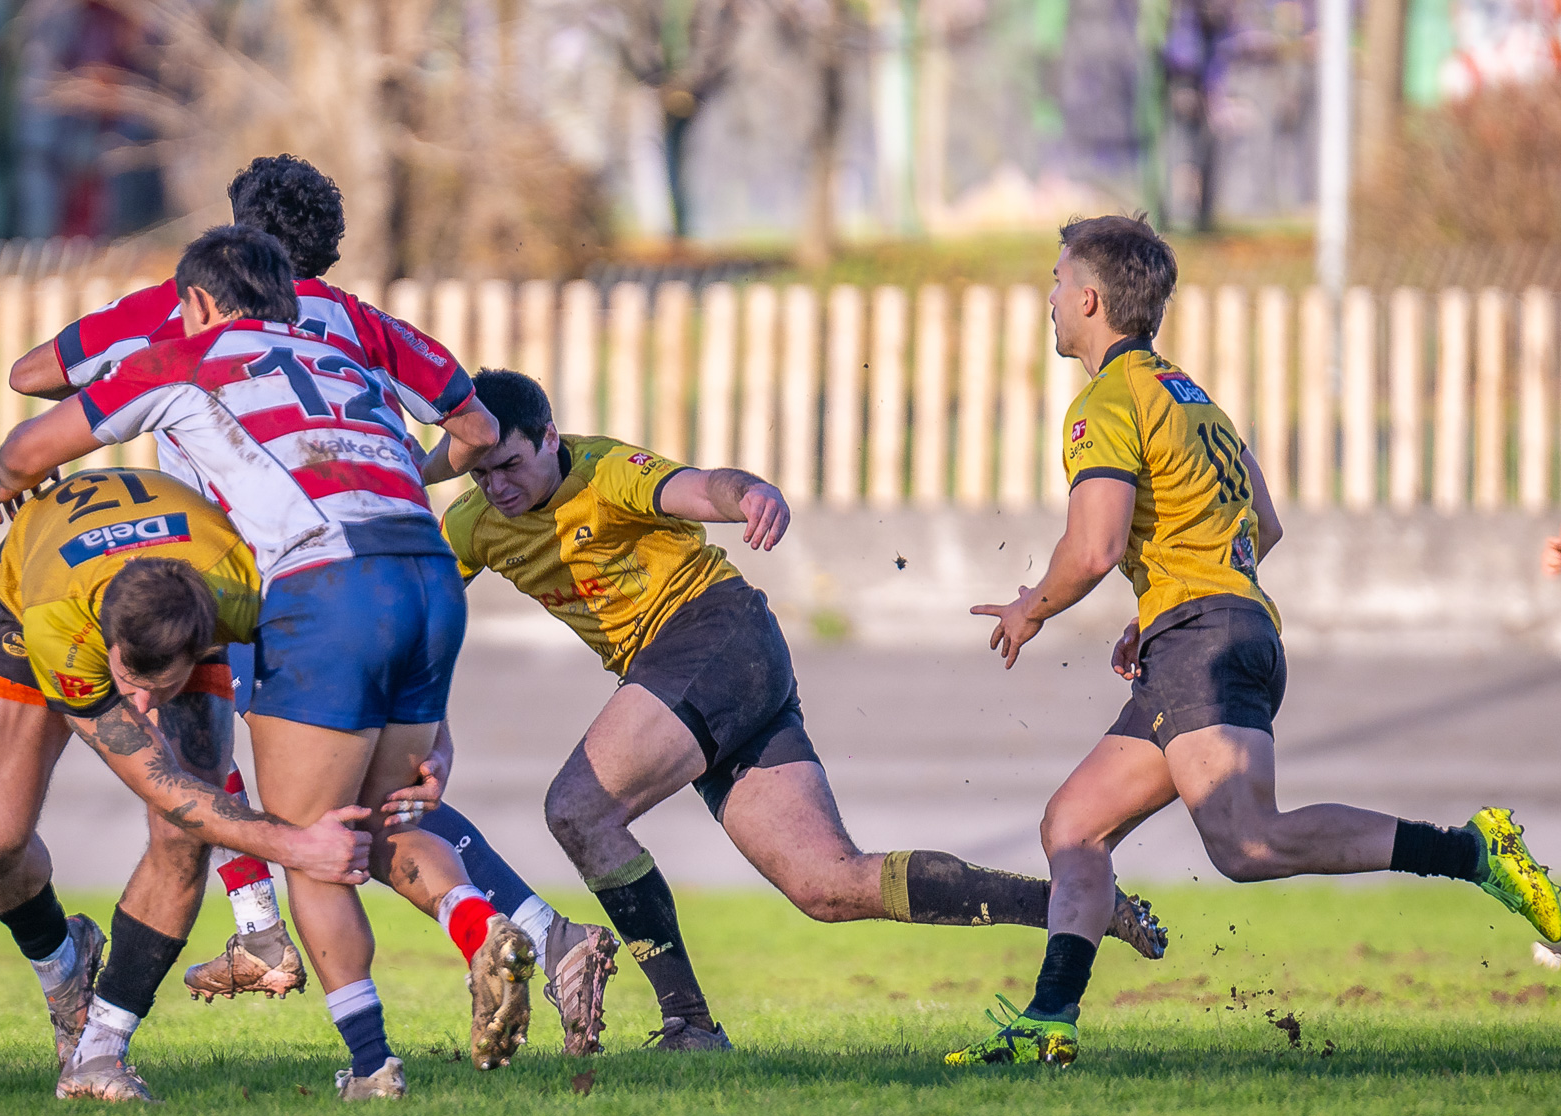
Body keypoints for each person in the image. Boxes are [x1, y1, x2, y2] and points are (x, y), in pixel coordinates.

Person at [8, 154, 619, 1056]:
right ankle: (531, 927)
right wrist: (383, 477)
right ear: (326, 253)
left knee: (261, 796)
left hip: (256, 578)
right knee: (373, 803)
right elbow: (476, 426)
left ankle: (273, 958)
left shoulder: (182, 318)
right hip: (402, 568)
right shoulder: (356, 326)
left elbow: (31, 378)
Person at [952, 214, 1561, 1068]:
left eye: (1057, 282)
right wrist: (1159, 606)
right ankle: (1049, 1024)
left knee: (1248, 843)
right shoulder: (1193, 397)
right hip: (1215, 629)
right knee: (1075, 824)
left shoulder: (1106, 402)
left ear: (1088, 299)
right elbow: (1261, 526)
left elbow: (1091, 548)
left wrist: (1031, 608)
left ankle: (1472, 852)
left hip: (1202, 639)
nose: (1049, 298)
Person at [439, 368, 1168, 1050]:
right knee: (829, 884)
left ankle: (687, 1023)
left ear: (550, 438)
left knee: (579, 807)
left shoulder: (602, 470)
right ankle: (1077, 904)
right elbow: (417, 594)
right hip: (703, 673)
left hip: (712, 636)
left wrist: (749, 493)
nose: (497, 485)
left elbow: (697, 487)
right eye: (480, 472)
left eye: (510, 465)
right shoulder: (474, 524)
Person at [0, 466, 373, 1102]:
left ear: (209, 647)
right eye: (126, 678)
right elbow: (161, 785)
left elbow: (365, 650)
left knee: (181, 839)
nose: (134, 700)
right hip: (43, 595)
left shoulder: (242, 590)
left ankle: (99, 1054)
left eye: (155, 686)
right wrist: (295, 845)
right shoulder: (64, 625)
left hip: (184, 582)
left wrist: (427, 734)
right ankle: (60, 963)